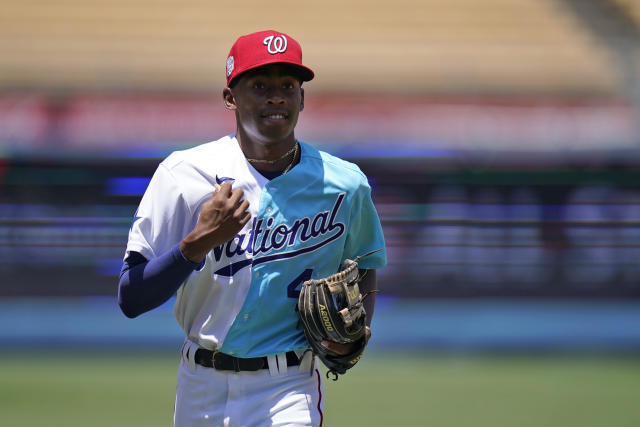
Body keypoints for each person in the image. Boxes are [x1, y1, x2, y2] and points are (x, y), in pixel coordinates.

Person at [118, 30, 387, 426]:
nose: (275, 96)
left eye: (287, 85)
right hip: (200, 385)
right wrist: (198, 242)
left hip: (288, 387)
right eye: (259, 85)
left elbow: (365, 263)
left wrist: (355, 331)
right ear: (230, 97)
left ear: (301, 98)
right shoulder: (183, 175)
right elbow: (130, 297)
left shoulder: (345, 184)